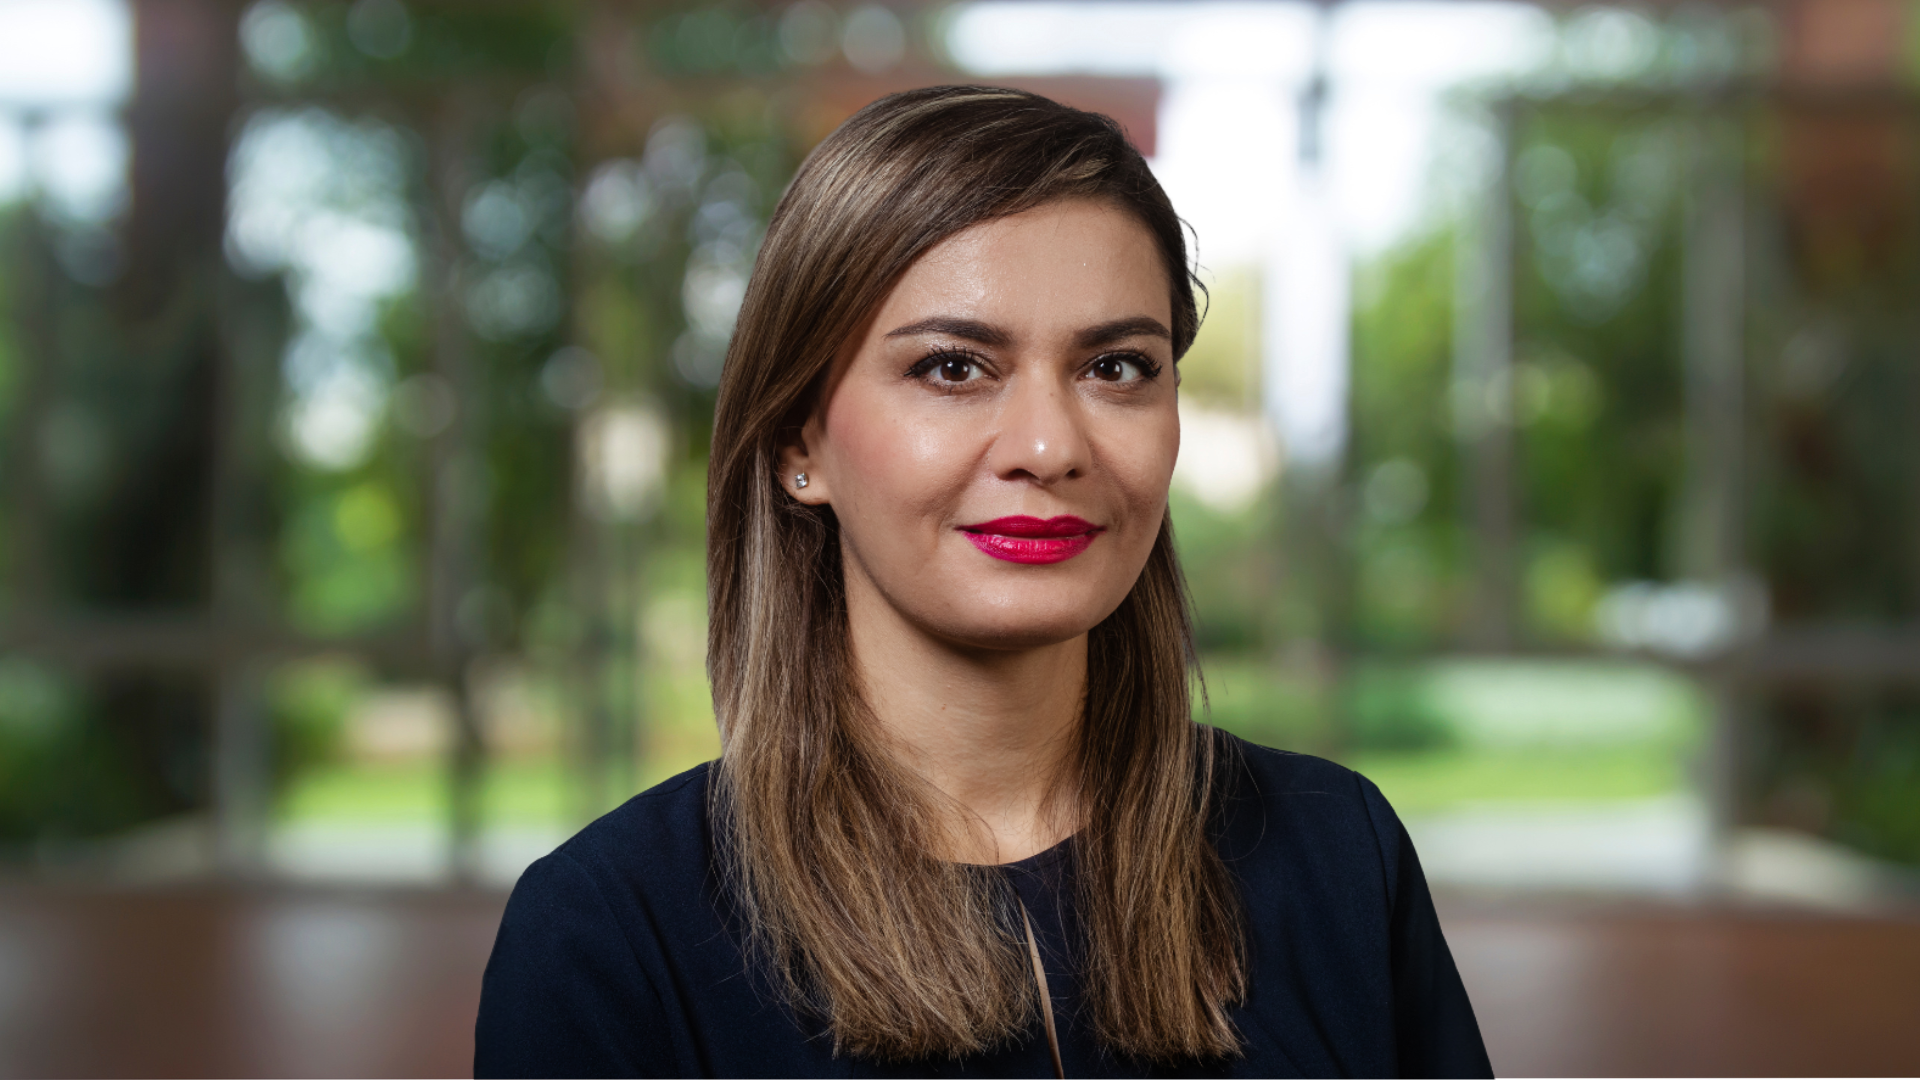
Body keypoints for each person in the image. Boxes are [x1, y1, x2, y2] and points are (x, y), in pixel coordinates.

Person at [475, 85, 1491, 1079]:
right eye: (954, 368)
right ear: (801, 442)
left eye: (1119, 368)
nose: (1050, 447)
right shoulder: (609, 934)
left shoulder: (1339, 857)